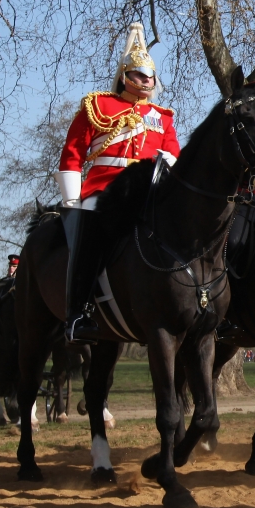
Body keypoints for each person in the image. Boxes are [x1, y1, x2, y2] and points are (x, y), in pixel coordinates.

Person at [57, 22, 180, 343]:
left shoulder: (162, 116)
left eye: (150, 76)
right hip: (104, 190)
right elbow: (72, 154)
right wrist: (72, 201)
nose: (147, 81)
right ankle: (77, 313)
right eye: (140, 75)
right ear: (125, 75)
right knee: (90, 236)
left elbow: (173, 155)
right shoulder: (98, 106)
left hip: (149, 192)